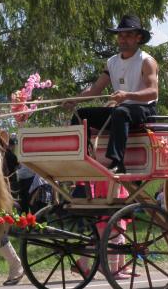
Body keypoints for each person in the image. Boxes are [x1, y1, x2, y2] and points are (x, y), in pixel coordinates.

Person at [64, 15, 158, 174]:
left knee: (120, 112)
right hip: (121, 112)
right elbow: (95, 90)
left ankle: (117, 162)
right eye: (120, 35)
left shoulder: (146, 61)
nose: (123, 39)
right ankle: (83, 157)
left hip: (144, 110)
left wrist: (127, 95)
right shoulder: (112, 62)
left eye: (128, 35)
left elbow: (152, 92)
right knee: (81, 115)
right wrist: (74, 100)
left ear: (138, 37)